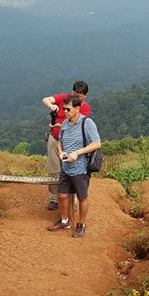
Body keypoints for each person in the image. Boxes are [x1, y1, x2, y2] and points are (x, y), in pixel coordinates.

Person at [46, 95, 101, 238]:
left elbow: (96, 143)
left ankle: (81, 224)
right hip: (66, 167)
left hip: (81, 168)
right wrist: (61, 152)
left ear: (77, 108)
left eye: (68, 109)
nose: (65, 111)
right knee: (62, 195)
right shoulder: (65, 123)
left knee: (82, 197)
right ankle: (65, 221)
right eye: (63, 109)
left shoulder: (87, 123)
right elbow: (60, 141)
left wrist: (77, 153)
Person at [41, 81, 91, 210]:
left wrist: (60, 125)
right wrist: (51, 106)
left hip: (71, 143)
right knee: (54, 170)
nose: (76, 97)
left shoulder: (84, 107)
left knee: (71, 171)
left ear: (84, 96)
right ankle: (54, 198)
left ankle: (71, 200)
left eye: (79, 96)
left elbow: (76, 122)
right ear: (71, 91)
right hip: (54, 139)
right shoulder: (63, 98)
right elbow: (46, 99)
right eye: (74, 94)